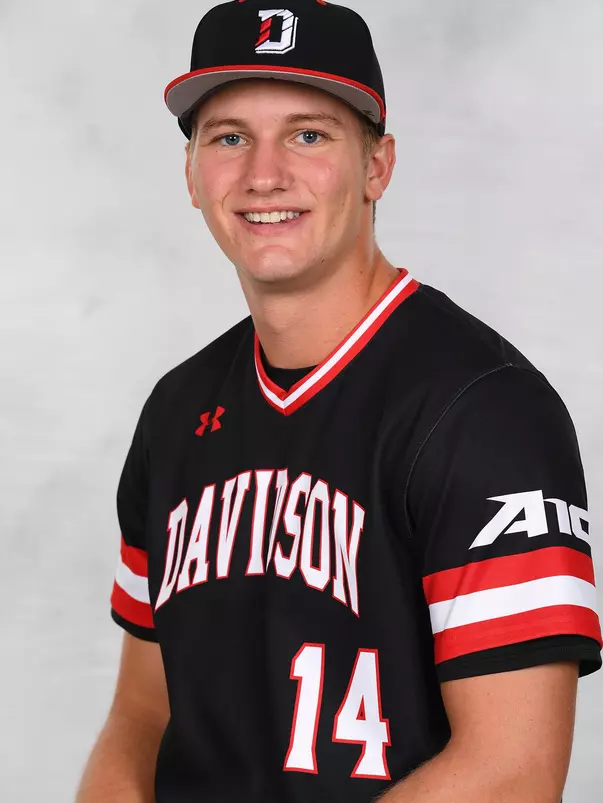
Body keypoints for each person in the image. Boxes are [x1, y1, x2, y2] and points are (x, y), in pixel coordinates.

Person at [76, 1, 602, 801]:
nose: (263, 173)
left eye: (308, 134)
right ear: (190, 174)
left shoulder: (486, 409)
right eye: (228, 137)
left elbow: (511, 771)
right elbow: (140, 719)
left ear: (377, 165)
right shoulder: (175, 410)